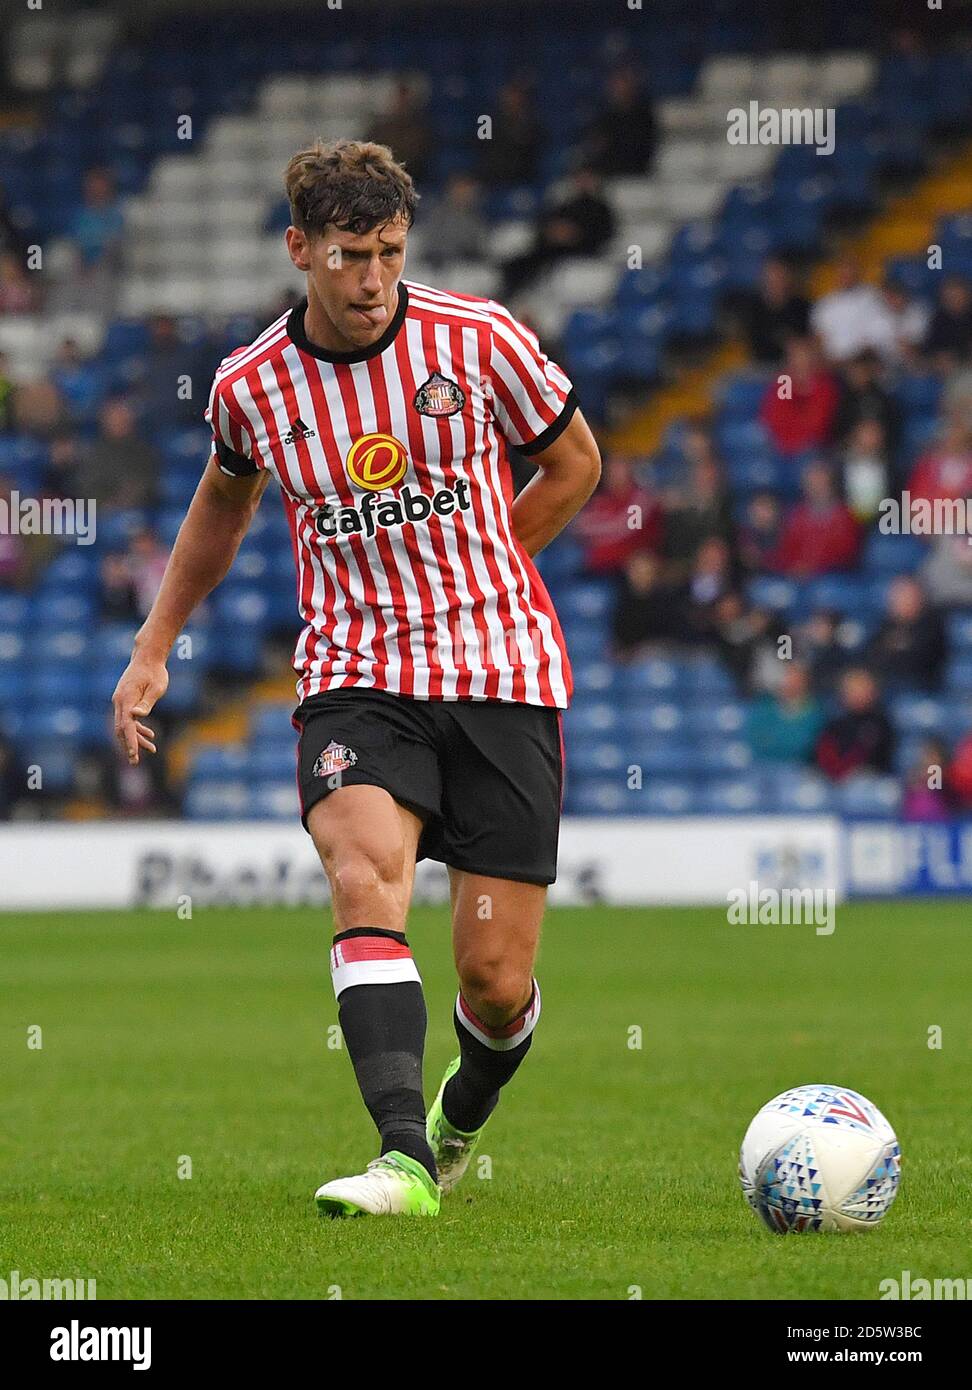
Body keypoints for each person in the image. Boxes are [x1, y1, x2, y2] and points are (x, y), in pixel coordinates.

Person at [111, 139, 601, 1220]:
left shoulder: (478, 341)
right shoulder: (251, 387)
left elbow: (576, 463)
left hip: (500, 673)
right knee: (363, 873)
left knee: (494, 979)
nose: (373, 278)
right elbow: (221, 509)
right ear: (300, 249)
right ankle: (400, 1160)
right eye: (349, 255)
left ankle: (457, 1119)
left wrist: (492, 564)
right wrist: (155, 646)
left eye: (388, 252)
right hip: (357, 675)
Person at [500, 166, 616, 299]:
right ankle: (510, 296)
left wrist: (575, 236)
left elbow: (605, 234)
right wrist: (553, 233)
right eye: (581, 178)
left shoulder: (601, 209)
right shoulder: (566, 205)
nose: (584, 182)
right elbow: (545, 225)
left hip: (583, 251)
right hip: (552, 249)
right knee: (519, 263)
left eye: (588, 178)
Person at [572, 454, 661, 577]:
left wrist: (593, 532)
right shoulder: (604, 499)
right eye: (610, 468)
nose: (612, 472)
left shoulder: (640, 499)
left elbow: (624, 527)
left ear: (630, 470)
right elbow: (579, 524)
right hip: (593, 563)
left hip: (622, 567)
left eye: (618, 467)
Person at [773, 460, 860, 577]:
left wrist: (812, 567)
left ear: (830, 483)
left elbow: (846, 553)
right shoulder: (795, 515)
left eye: (820, 481)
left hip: (832, 577)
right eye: (812, 482)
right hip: (797, 576)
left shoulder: (845, 516)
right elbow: (786, 550)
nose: (816, 486)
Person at [760, 335, 839, 457]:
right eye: (796, 357)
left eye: (805, 357)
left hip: (814, 450)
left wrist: (797, 442)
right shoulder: (785, 381)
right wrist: (788, 443)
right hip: (783, 446)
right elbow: (777, 417)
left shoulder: (824, 385)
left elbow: (817, 425)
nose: (800, 362)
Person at [77, 398, 161, 512]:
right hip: (104, 512)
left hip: (139, 509)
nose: (120, 422)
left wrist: (130, 496)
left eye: (123, 418)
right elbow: (88, 486)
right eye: (114, 418)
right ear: (104, 422)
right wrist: (107, 503)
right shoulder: (93, 453)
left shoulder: (145, 450)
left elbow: (151, 482)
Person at [864, 575, 945, 692]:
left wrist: (893, 649)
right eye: (898, 596)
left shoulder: (932, 625)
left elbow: (919, 660)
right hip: (885, 687)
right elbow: (872, 656)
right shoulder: (884, 626)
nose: (902, 600)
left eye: (908, 595)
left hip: (921, 687)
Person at [815, 667, 895, 780]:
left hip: (873, 779)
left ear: (873, 692)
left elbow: (882, 759)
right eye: (852, 690)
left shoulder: (882, 723)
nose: (857, 695)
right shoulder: (834, 723)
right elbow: (824, 758)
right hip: (836, 780)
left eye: (862, 689)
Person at [809, 255, 887, 362]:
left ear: (858, 272)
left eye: (850, 270)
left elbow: (879, 333)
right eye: (842, 271)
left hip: (866, 360)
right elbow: (819, 337)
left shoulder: (873, 296)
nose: (846, 275)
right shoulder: (824, 304)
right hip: (834, 363)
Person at [581, 65, 656, 176]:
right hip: (608, 172)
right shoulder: (605, 117)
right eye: (615, 84)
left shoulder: (644, 116)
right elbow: (597, 146)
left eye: (622, 84)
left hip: (636, 172)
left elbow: (643, 148)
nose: (618, 89)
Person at [745, 662, 825, 763]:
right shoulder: (764, 706)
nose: (789, 683)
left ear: (805, 682)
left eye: (796, 679)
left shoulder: (817, 713)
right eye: (787, 677)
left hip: (799, 769)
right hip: (762, 767)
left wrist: (773, 741)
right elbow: (753, 740)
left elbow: (802, 746)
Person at [737, 256, 810, 365]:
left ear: (788, 276)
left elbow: (805, 341)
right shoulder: (753, 308)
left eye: (779, 274)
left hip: (792, 366)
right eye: (771, 275)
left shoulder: (802, 306)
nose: (775, 279)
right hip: (760, 365)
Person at [611, 550, 686, 657]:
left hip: (657, 657)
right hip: (625, 659)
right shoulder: (617, 600)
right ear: (629, 573)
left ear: (654, 574)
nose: (642, 577)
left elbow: (671, 638)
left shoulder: (666, 602)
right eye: (637, 571)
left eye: (646, 572)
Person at [478, 76, 544, 187]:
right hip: (493, 175)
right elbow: (483, 147)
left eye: (516, 97)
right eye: (509, 96)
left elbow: (533, 147)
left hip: (523, 174)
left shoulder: (531, 123)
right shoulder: (486, 120)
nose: (512, 100)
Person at [423, 173, 486, 267]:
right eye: (460, 190)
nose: (464, 194)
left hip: (466, 266)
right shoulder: (438, 215)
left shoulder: (476, 218)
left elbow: (480, 247)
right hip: (437, 266)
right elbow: (430, 246)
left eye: (468, 190)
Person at [922, 274, 972, 370]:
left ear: (967, 295)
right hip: (946, 368)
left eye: (958, 296)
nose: (954, 300)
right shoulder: (939, 318)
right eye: (949, 297)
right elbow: (929, 349)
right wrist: (938, 358)